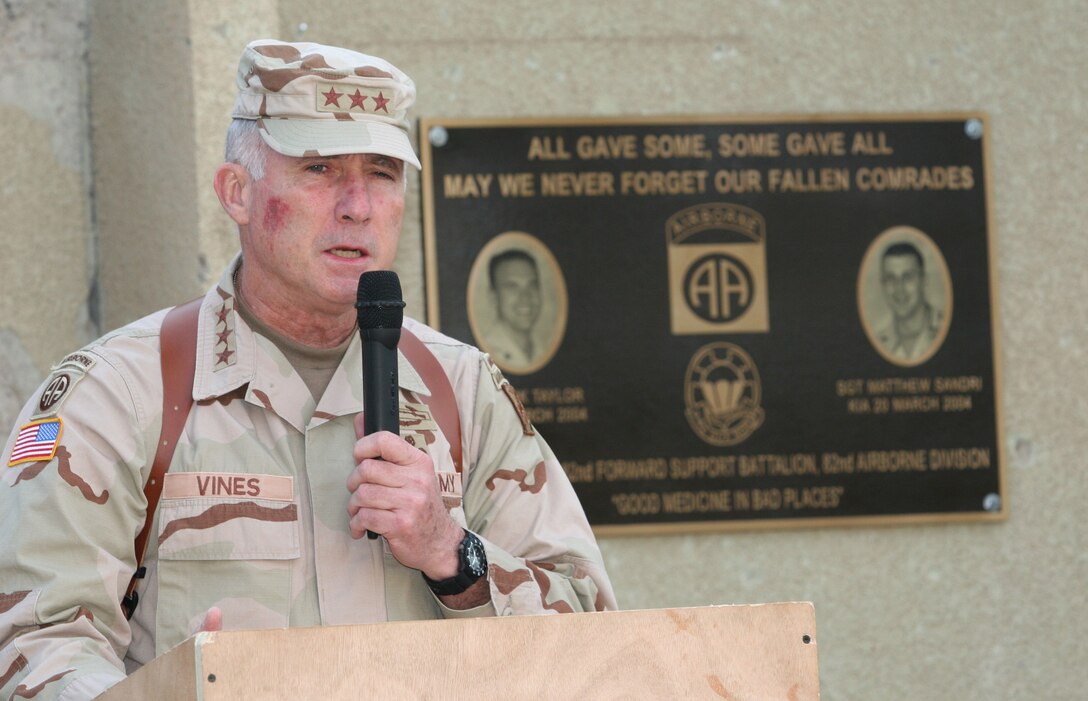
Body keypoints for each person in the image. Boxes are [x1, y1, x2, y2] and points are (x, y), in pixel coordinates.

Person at [0, 39, 615, 700]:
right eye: (319, 167)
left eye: (381, 171)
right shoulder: (120, 392)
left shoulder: (461, 390)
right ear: (237, 191)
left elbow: (595, 635)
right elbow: (35, 638)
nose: (357, 203)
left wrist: (452, 552)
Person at [874, 241, 944, 361]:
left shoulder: (946, 330)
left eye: (908, 277)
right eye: (890, 279)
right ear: (883, 285)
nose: (899, 289)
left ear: (924, 281)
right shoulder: (877, 342)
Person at [483, 248, 544, 369]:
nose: (525, 297)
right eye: (512, 287)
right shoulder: (484, 355)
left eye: (532, 285)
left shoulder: (541, 351)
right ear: (494, 296)